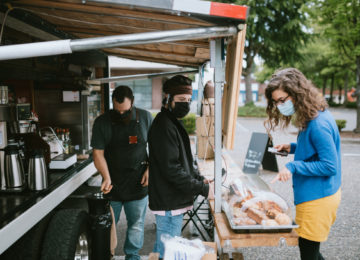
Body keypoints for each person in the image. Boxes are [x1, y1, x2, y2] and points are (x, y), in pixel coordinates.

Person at [264, 68, 341, 260]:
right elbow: (314, 148)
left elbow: (330, 165)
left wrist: (293, 166)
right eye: (276, 102)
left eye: (282, 100)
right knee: (311, 253)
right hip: (318, 194)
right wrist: (291, 147)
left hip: (318, 198)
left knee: (309, 254)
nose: (279, 106)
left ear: (297, 93)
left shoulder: (318, 124)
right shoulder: (315, 114)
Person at [148, 75, 214, 259]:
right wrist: (203, 188)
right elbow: (172, 169)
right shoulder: (163, 126)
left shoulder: (171, 122)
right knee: (167, 253)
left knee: (163, 249)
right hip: (169, 203)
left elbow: (182, 161)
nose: (186, 104)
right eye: (181, 100)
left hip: (172, 201)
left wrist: (199, 179)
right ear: (168, 99)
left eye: (188, 100)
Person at [91, 85, 153, 260]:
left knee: (136, 225)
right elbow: (98, 153)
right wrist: (106, 176)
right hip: (113, 185)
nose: (121, 115)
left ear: (132, 103)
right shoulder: (102, 122)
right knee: (108, 226)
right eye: (117, 111)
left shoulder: (145, 117)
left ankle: (132, 256)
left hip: (138, 182)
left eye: (125, 111)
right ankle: (106, 255)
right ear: (113, 103)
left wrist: (150, 169)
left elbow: (157, 147)